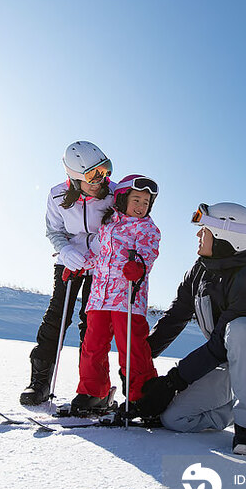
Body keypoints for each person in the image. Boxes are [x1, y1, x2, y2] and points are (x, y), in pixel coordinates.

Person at [136, 202, 246, 455]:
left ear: (227, 237)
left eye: (205, 230)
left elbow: (220, 343)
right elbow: (175, 317)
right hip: (230, 362)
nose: (198, 235)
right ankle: (234, 411)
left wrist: (172, 382)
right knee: (174, 419)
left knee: (243, 328)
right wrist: (139, 360)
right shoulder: (199, 272)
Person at [20, 141, 116, 406]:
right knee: (56, 317)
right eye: (92, 175)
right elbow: (54, 232)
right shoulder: (57, 195)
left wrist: (102, 247)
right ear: (73, 178)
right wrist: (65, 253)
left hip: (102, 263)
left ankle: (93, 388)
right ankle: (39, 383)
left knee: (93, 324)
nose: (101, 179)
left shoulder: (116, 194)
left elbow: (127, 225)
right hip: (71, 262)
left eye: (105, 169)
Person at [70, 175, 161, 415]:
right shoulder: (107, 226)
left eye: (146, 202)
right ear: (122, 199)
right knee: (92, 345)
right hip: (99, 297)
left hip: (127, 299)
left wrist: (139, 266)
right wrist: (80, 266)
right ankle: (93, 393)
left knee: (131, 347)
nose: (142, 207)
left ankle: (141, 397)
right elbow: (99, 256)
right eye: (137, 200)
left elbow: (148, 254)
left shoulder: (147, 228)